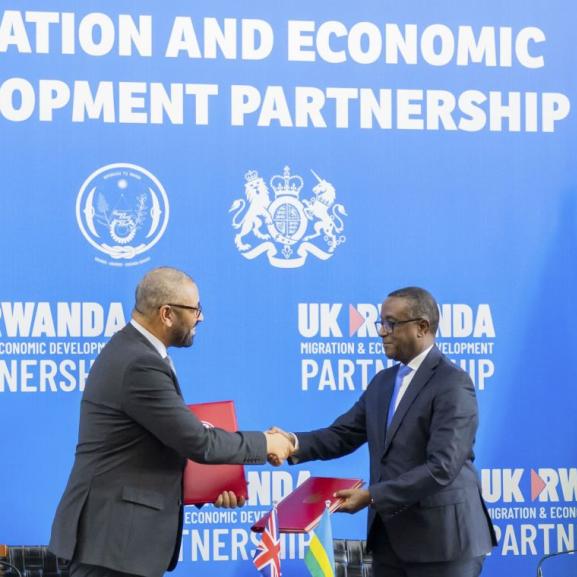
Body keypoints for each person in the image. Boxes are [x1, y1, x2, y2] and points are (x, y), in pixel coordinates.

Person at [49, 267, 292, 577]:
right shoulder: (139, 363)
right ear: (166, 314)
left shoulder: (136, 352)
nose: (200, 318)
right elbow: (197, 441)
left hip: (118, 546)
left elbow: (157, 444)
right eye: (195, 309)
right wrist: (267, 442)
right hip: (111, 547)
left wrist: (211, 487)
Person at [273, 287, 497, 577]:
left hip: (443, 545)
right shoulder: (383, 382)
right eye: (381, 323)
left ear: (422, 327)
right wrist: (292, 444)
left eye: (391, 323)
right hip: (390, 543)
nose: (382, 332)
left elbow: (442, 467)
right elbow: (342, 434)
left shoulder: (452, 383)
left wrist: (372, 496)